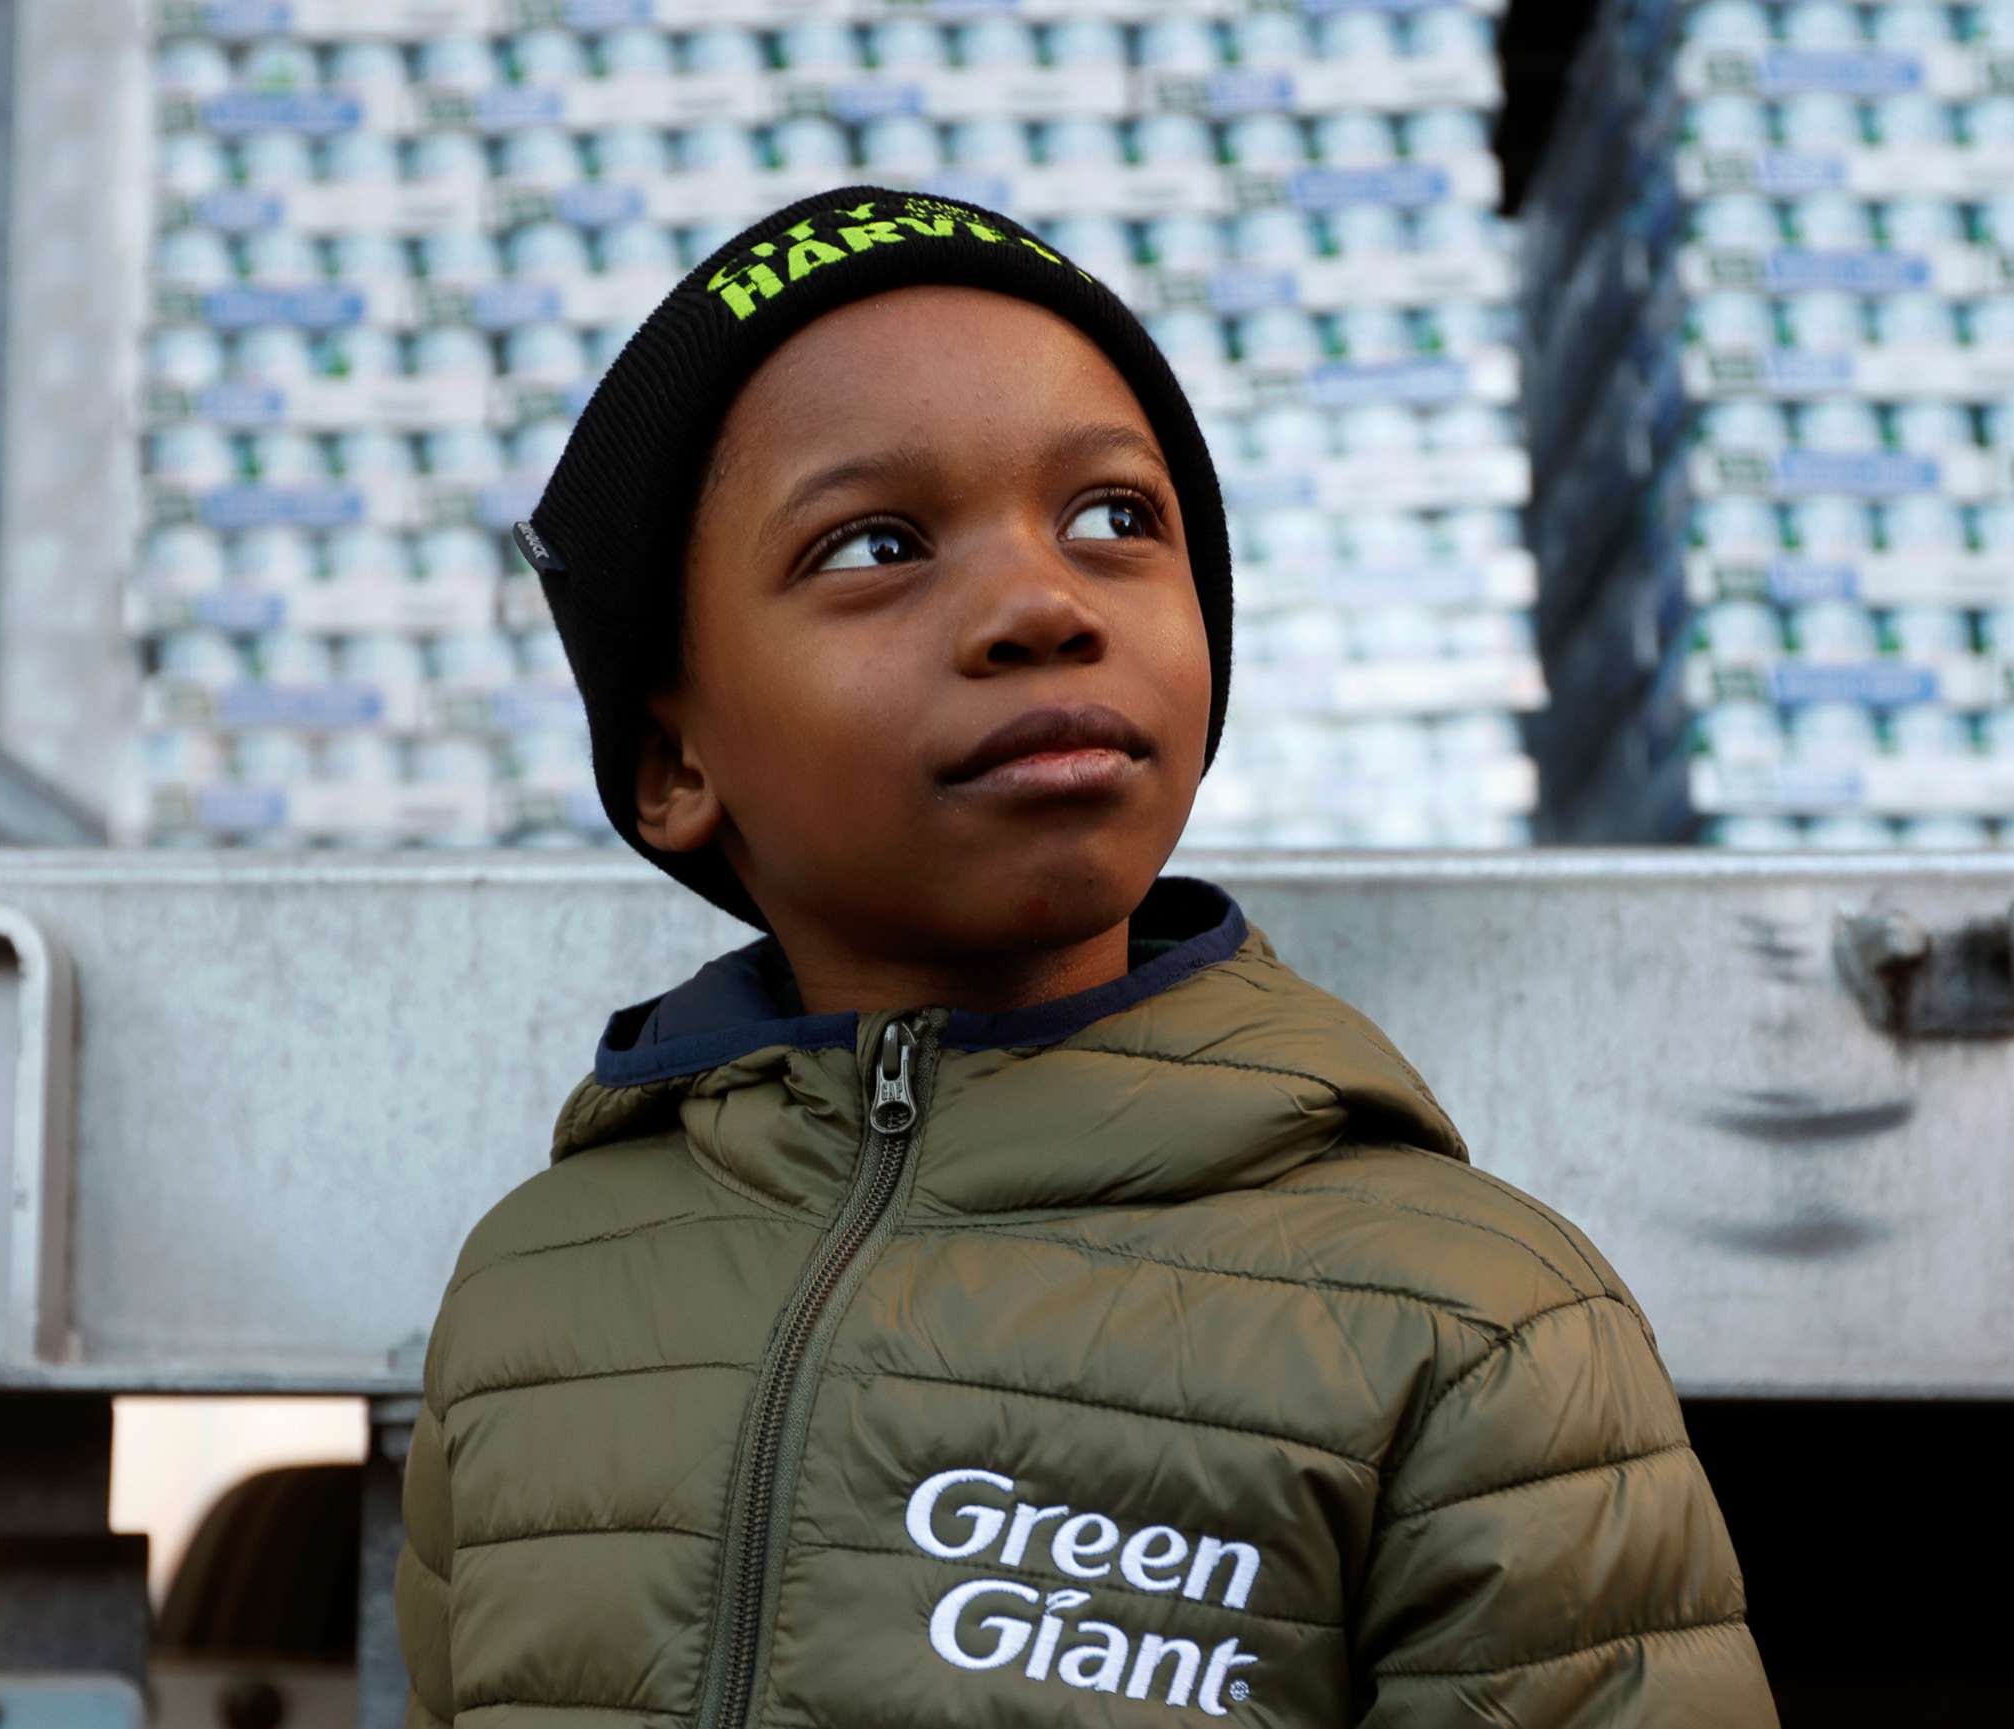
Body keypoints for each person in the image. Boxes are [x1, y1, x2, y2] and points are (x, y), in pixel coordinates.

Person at [393, 187, 1776, 1727]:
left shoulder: (1468, 1324)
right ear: (671, 758)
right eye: (877, 544)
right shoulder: (535, 1295)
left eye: (1118, 519)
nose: (1043, 605)